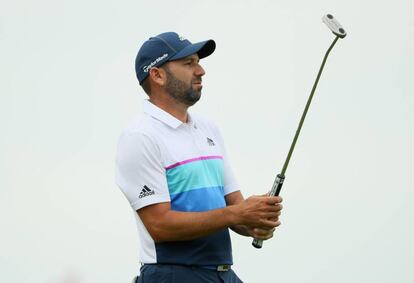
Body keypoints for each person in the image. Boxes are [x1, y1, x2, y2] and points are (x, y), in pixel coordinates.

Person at [115, 32, 283, 283]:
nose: (201, 70)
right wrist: (238, 215)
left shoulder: (208, 129)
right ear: (157, 75)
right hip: (172, 273)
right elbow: (160, 226)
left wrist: (254, 220)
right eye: (188, 63)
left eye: (198, 62)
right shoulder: (140, 136)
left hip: (221, 273)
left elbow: (234, 206)